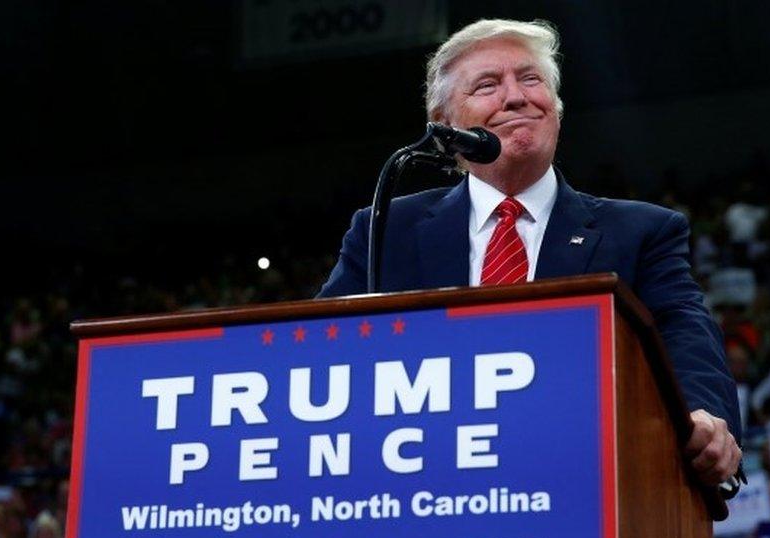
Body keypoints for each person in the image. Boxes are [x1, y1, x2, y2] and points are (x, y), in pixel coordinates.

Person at [318, 18, 742, 488]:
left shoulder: (644, 230)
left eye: (530, 79)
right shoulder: (385, 229)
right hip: (424, 479)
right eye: (487, 85)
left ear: (556, 110)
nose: (516, 96)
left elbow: (684, 331)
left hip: (583, 476)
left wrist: (701, 413)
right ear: (444, 127)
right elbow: (321, 347)